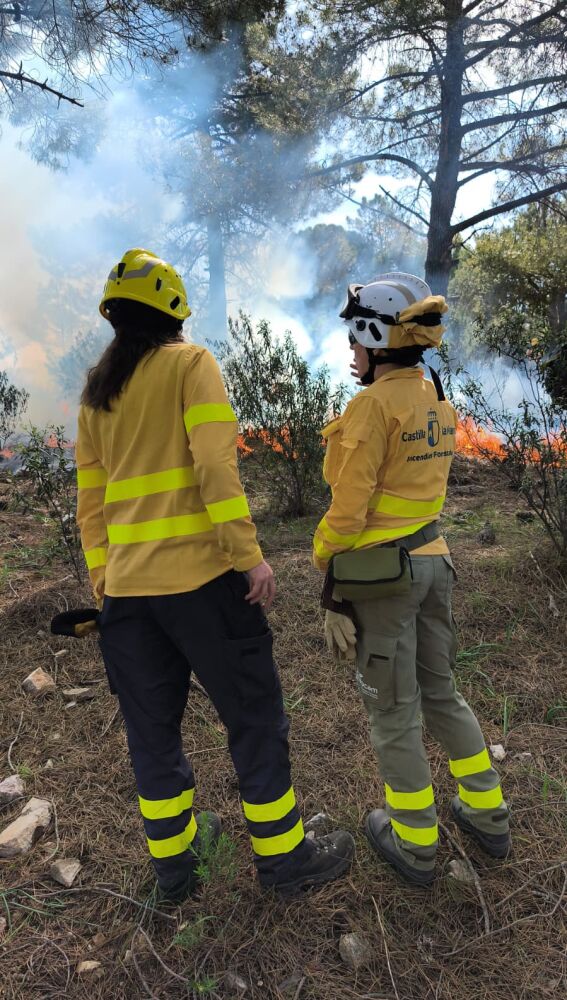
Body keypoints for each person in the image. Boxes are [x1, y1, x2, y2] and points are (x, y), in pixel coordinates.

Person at [75, 247, 354, 901]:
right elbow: (215, 471)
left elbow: (91, 506)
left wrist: (103, 585)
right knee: (254, 719)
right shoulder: (191, 364)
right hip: (203, 585)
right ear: (174, 310)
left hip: (128, 599)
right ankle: (284, 861)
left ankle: (175, 869)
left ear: (115, 317)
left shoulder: (96, 393)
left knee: (151, 734)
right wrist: (245, 556)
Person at [314, 272, 510, 886]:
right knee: (441, 692)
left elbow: (348, 511)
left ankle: (416, 846)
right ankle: (487, 812)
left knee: (392, 711)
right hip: (435, 562)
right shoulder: (434, 398)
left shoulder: (371, 407)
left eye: (355, 338)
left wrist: (323, 564)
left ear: (375, 334)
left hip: (384, 580)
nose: (351, 351)